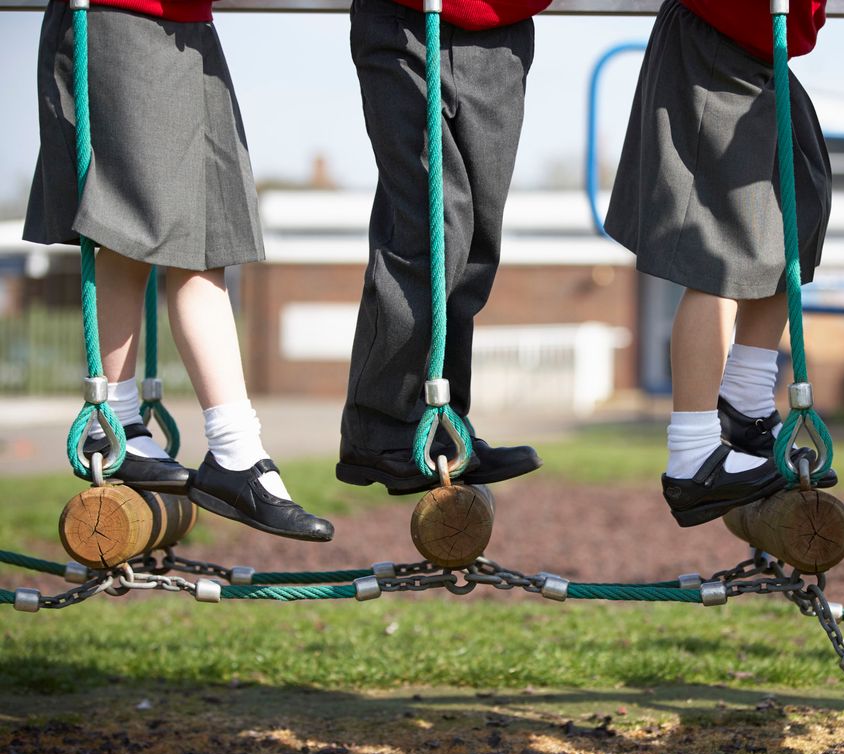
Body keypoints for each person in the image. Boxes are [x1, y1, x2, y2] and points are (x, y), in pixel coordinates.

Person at [25, 0, 334, 543]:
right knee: (128, 228)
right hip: (123, 17)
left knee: (208, 242)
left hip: (190, 28)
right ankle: (112, 421)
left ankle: (236, 449)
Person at [606, 0, 834, 527]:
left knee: (796, 209)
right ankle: (692, 455)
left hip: (764, 48)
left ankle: (746, 397)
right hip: (716, 35)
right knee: (718, 247)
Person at [336, 0, 549, 496]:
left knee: (476, 242)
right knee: (435, 229)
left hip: (503, 30)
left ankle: (445, 421)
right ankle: (380, 428)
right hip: (406, 20)